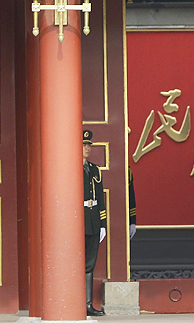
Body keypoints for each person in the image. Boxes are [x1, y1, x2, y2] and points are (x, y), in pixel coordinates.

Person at [83, 130, 107, 316]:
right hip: (79, 217)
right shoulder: (70, 168)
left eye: (89, 145)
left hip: (92, 219)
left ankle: (88, 304)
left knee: (90, 262)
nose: (87, 148)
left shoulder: (95, 169)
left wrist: (103, 223)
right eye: (84, 145)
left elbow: (100, 198)